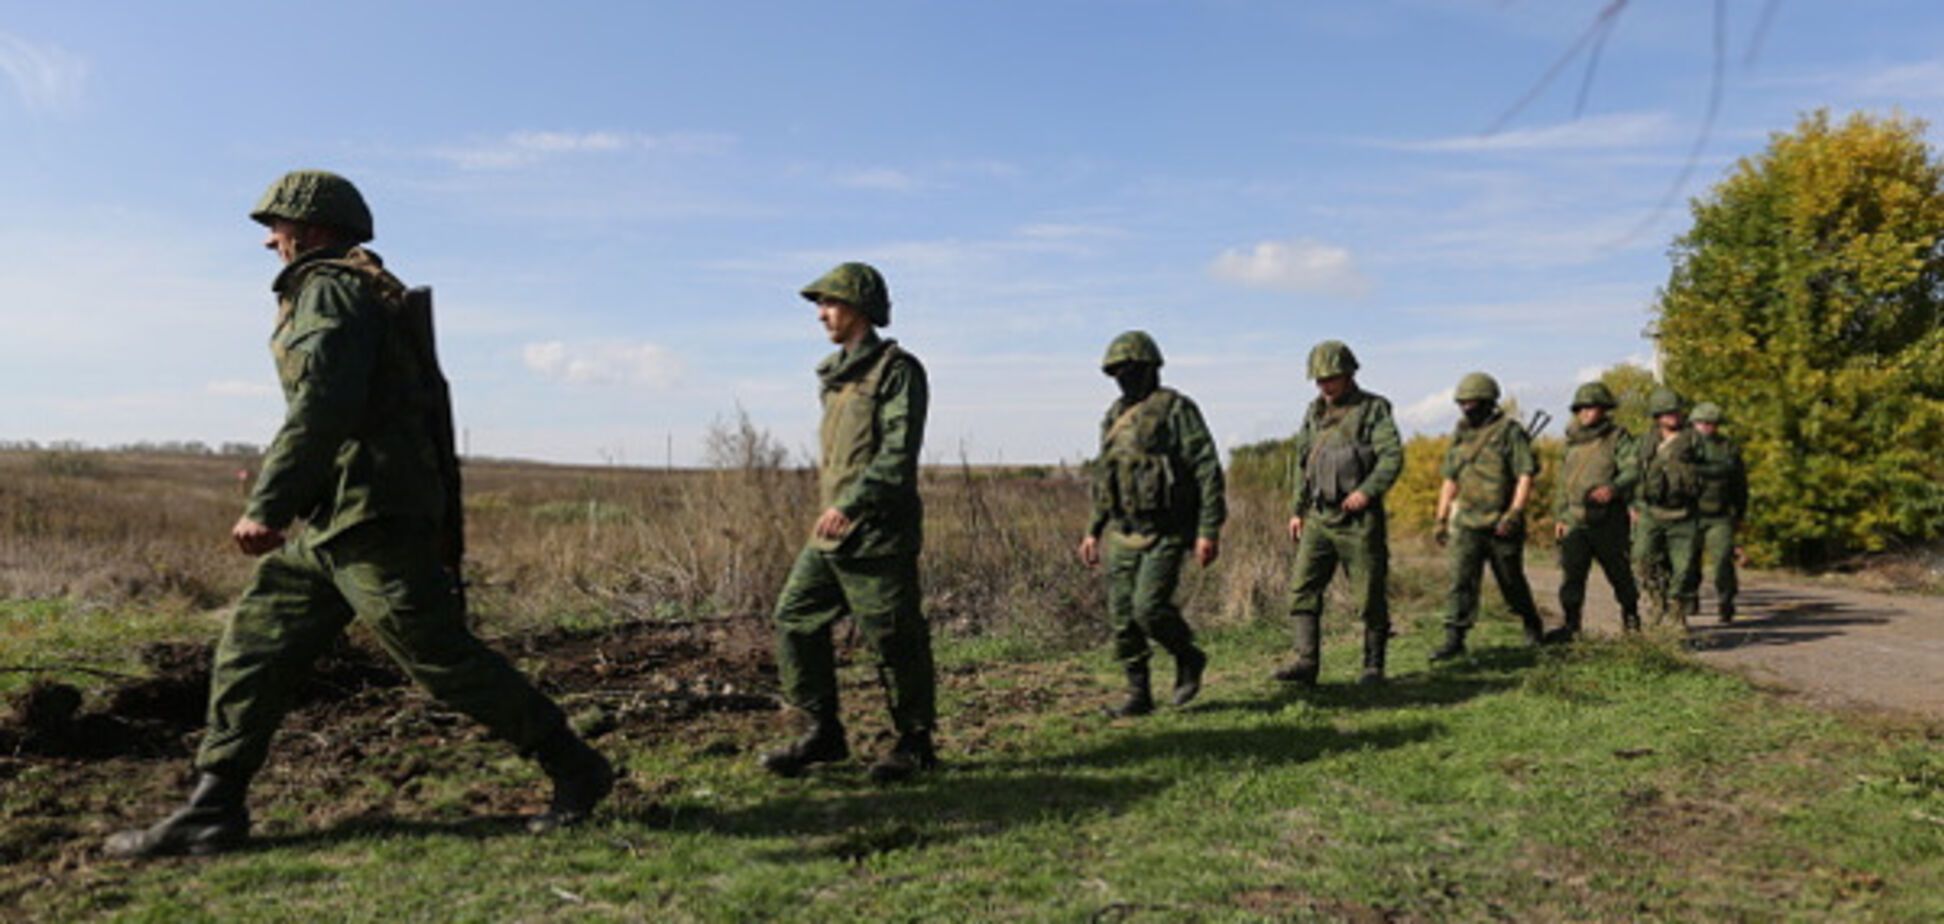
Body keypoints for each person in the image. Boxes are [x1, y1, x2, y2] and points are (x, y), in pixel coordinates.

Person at [106, 170, 610, 859]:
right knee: (254, 646)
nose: (270, 244)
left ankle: (576, 767)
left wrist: (269, 505)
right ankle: (213, 806)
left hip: (372, 513)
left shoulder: (332, 290)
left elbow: (323, 405)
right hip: (331, 518)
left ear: (309, 230)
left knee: (437, 657)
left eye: (275, 229)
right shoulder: (345, 287)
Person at [760, 262, 939, 783]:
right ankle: (824, 733)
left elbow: (897, 455)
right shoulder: (835, 378)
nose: (821, 315)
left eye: (831, 303)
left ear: (859, 308)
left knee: (894, 638)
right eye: (820, 305)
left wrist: (854, 504)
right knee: (794, 617)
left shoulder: (897, 371)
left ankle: (915, 742)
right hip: (832, 533)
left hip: (878, 531)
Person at [1078, 331, 1226, 717]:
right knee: (1122, 618)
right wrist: (1093, 530)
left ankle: (1188, 656)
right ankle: (1138, 694)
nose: (1123, 378)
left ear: (1149, 369)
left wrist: (1208, 530)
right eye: (1117, 372)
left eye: (1130, 370)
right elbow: (1104, 479)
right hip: (1123, 531)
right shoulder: (1113, 416)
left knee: (1149, 608)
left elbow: (1207, 469)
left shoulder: (1176, 409)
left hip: (1168, 530)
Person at [1275, 341, 1403, 686]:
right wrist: (1296, 511)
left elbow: (1392, 457)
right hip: (1319, 516)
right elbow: (1304, 463)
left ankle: (1373, 667)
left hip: (1359, 520)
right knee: (1302, 589)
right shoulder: (1313, 413)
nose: (1324, 386)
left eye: (1330, 378)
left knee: (1368, 595)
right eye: (1318, 380)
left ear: (1348, 375)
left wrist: (1366, 491)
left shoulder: (1373, 409)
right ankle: (1306, 663)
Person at [1429, 372, 1545, 660]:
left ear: (1488, 402)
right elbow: (1450, 479)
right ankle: (1454, 637)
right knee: (1461, 581)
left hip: (1501, 522)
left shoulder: (1509, 432)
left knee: (1510, 580)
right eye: (1463, 403)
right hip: (1466, 521)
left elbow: (1525, 474)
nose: (1467, 408)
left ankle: (1531, 623)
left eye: (1473, 402)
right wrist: (1441, 518)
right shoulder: (1460, 435)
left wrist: (1515, 512)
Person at [1550, 382, 1641, 641]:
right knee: (1572, 577)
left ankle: (1632, 622)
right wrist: (1560, 516)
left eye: (1593, 407)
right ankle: (1571, 627)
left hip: (1608, 521)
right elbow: (1563, 482)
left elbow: (1632, 470)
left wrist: (1614, 488)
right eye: (1582, 408)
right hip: (1576, 521)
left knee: (1620, 574)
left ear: (1604, 410)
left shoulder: (1617, 437)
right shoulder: (1571, 441)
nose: (1587, 412)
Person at [1632, 386, 1705, 626]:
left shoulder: (1695, 441)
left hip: (1684, 514)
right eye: (1666, 413)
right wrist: (1633, 503)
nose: (1672, 416)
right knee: (1643, 559)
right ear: (1657, 416)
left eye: (1675, 412)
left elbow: (1715, 474)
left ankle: (1677, 611)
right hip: (1651, 512)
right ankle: (1656, 600)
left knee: (1683, 569)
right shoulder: (1645, 443)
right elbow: (1634, 474)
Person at [1689, 402, 1748, 623]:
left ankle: (1726, 600)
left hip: (1720, 514)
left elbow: (1739, 483)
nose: (1706, 427)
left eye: (1711, 423)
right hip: (1689, 514)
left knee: (1723, 559)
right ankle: (1689, 597)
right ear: (1693, 423)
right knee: (1688, 561)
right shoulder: (1684, 446)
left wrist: (1740, 513)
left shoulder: (1727, 448)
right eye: (1702, 423)